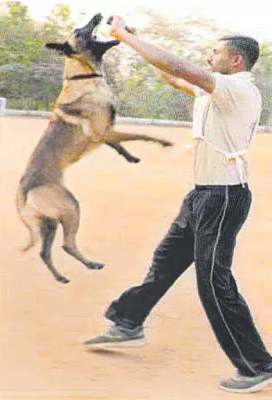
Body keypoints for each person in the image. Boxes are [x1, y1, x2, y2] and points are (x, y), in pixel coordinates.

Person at [84, 15, 272, 394]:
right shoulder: (217, 91)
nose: (209, 57)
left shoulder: (238, 89)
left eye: (216, 53)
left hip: (223, 197)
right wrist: (137, 43)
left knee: (213, 282)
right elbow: (173, 76)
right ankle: (129, 322)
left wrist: (121, 35)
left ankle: (257, 365)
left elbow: (177, 65)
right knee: (166, 260)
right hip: (202, 196)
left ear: (236, 61)